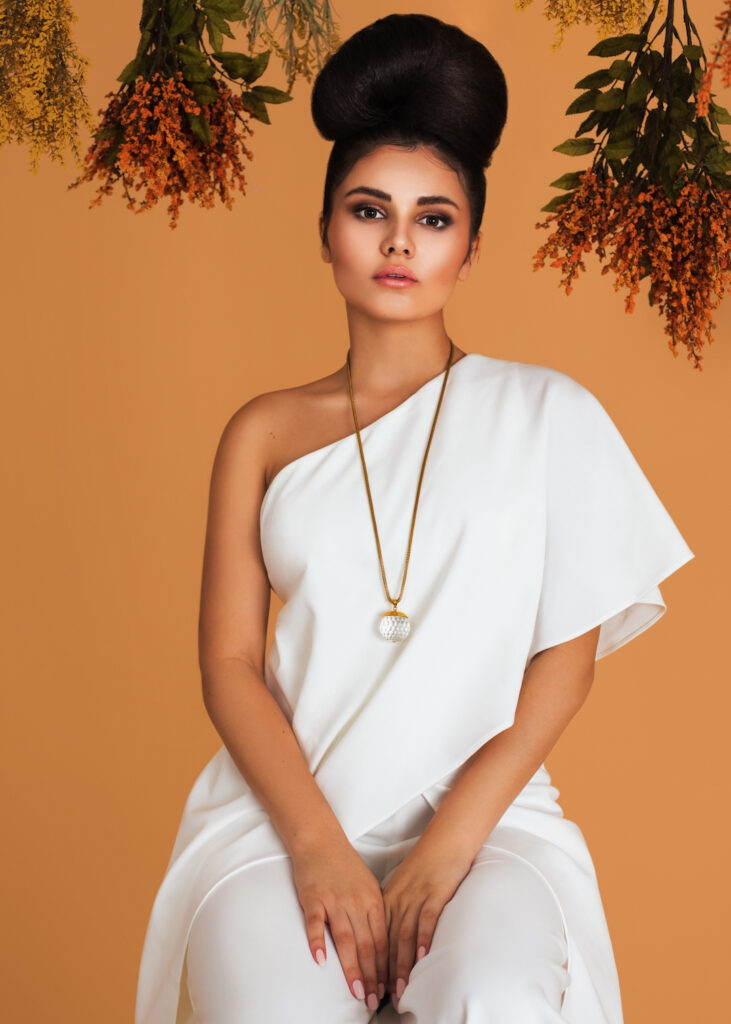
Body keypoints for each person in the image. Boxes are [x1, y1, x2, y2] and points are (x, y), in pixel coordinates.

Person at [134, 13, 695, 1024]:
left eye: (432, 217)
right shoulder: (262, 433)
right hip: (279, 821)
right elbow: (227, 664)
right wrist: (314, 847)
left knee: (494, 993)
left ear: (469, 245)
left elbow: (562, 662)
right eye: (368, 209)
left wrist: (444, 847)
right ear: (325, 234)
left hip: (490, 822)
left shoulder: (545, 414)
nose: (398, 239)